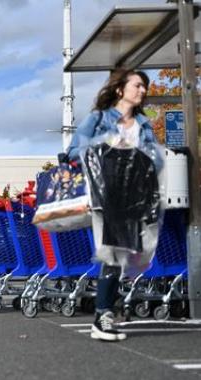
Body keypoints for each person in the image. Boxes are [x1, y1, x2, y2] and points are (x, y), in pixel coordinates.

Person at [67, 68, 157, 342]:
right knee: (113, 254)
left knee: (121, 259)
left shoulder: (143, 123)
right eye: (137, 85)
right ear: (120, 89)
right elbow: (73, 151)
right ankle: (102, 316)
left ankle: (104, 314)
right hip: (105, 197)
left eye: (144, 87)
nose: (142, 91)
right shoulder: (98, 119)